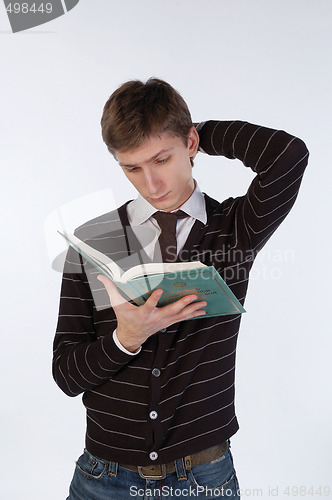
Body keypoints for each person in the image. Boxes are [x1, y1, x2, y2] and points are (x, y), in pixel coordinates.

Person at [53, 78, 309, 499]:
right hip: (103, 477)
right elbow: (65, 374)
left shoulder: (233, 230)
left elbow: (289, 155)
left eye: (162, 158)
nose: (151, 184)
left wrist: (195, 131)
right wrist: (125, 340)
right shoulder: (96, 239)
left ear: (190, 144)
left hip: (203, 479)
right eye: (132, 168)